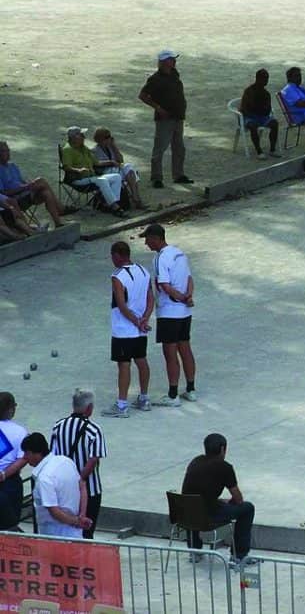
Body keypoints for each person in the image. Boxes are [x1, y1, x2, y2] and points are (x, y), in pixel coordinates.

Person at [141, 223, 198, 406]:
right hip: (184, 313)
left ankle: (173, 395)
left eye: (147, 239)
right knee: (185, 348)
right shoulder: (179, 253)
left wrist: (181, 298)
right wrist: (188, 297)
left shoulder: (160, 258)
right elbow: (189, 279)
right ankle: (190, 389)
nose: (146, 243)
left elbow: (164, 286)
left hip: (169, 312)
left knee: (170, 352)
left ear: (156, 238)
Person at [182, 433, 256, 567]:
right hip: (208, 516)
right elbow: (239, 499)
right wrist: (230, 501)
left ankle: (194, 550)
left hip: (186, 514)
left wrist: (217, 501)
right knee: (247, 508)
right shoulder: (225, 467)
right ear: (223, 449)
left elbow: (195, 490)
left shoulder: (195, 461)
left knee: (191, 505)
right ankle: (239, 555)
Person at [102, 241, 154, 418]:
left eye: (112, 255)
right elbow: (150, 299)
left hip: (124, 329)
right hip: (140, 330)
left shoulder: (117, 277)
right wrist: (144, 319)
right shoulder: (144, 271)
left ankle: (122, 405)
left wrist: (136, 321)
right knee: (141, 360)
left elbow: (122, 305)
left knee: (124, 364)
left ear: (117, 255)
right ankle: (144, 398)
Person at [50, 388, 107, 539]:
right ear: (89, 408)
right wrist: (80, 479)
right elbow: (94, 458)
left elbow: (53, 455)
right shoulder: (94, 430)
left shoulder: (58, 426)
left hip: (63, 488)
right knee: (86, 532)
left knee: (65, 530)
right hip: (90, 489)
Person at [138, 50, 192, 188]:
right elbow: (143, 95)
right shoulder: (155, 79)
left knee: (179, 147)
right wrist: (158, 108)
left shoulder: (174, 74)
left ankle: (178, 174)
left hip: (178, 117)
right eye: (171, 59)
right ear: (164, 62)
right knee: (160, 148)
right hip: (165, 119)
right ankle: (156, 177)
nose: (174, 61)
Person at [23, 433, 90, 539]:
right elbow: (82, 486)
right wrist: (82, 515)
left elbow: (55, 512)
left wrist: (78, 521)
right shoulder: (66, 461)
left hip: (55, 535)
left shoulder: (45, 478)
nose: (25, 457)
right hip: (75, 532)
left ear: (36, 453)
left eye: (27, 453)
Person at [60, 126, 126, 217]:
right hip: (78, 179)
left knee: (116, 176)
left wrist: (111, 162)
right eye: (82, 135)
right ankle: (115, 207)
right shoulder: (67, 150)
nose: (84, 137)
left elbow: (97, 163)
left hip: (91, 177)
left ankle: (111, 204)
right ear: (74, 137)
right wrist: (78, 170)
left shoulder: (84, 148)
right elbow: (66, 167)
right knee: (101, 180)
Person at [0, 141, 67, 228]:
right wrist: (24, 188)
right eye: (4, 151)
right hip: (16, 199)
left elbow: (21, 182)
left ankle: (58, 223)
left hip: (26, 194)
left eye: (8, 150)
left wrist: (27, 185)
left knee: (46, 193)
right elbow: (3, 193)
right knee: (41, 180)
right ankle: (60, 208)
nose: (8, 153)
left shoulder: (13, 166)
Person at [92, 128, 147, 209]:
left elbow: (121, 160)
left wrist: (114, 146)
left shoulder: (110, 148)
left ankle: (136, 197)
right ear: (100, 139)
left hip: (115, 170)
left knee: (128, 167)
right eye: (107, 137)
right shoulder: (95, 151)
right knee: (125, 172)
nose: (109, 139)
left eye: (110, 137)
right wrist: (111, 162)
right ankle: (136, 200)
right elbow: (96, 165)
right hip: (105, 174)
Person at [0, 393, 29, 530]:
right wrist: (4, 475)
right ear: (10, 409)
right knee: (10, 528)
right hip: (9, 484)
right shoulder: (19, 431)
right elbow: (23, 458)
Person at [240, 69, 281, 160]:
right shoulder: (249, 91)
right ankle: (259, 151)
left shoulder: (266, 94)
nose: (266, 81)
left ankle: (272, 150)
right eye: (264, 79)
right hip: (250, 116)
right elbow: (243, 109)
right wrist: (252, 115)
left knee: (274, 123)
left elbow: (268, 110)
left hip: (262, 117)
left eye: (267, 79)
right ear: (257, 79)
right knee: (253, 125)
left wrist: (265, 111)